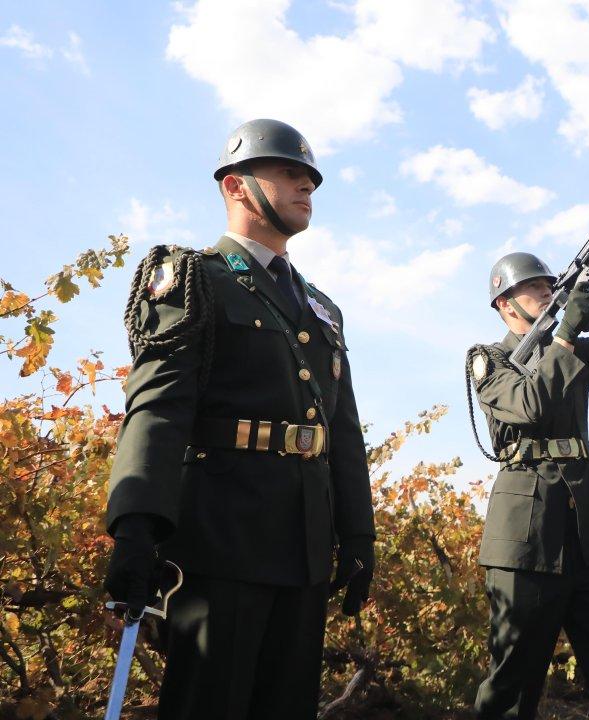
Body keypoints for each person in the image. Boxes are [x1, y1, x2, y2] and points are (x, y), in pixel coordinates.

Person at [103, 119, 375, 718]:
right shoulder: (193, 278)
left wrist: (357, 533)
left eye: (311, 180)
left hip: (304, 544)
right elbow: (159, 407)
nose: (307, 189)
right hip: (221, 540)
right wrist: (136, 524)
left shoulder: (322, 308)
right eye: (289, 174)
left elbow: (343, 433)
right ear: (235, 186)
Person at [467, 219, 589, 719]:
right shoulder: (488, 360)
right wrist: (567, 333)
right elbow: (529, 404)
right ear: (506, 305)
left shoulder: (569, 349)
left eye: (552, 287)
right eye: (536, 291)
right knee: (515, 675)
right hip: (527, 532)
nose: (549, 296)